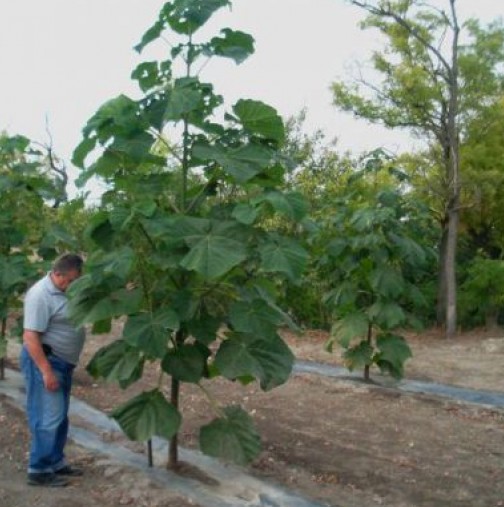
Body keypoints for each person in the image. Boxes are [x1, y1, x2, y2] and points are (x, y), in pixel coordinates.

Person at [20, 253, 86, 487]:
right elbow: (30, 336)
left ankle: (56, 462)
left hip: (62, 362)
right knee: (47, 417)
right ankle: (39, 470)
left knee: (59, 416)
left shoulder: (65, 291)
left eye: (75, 281)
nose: (71, 285)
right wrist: (46, 371)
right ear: (57, 273)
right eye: (68, 280)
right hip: (46, 361)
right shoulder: (41, 295)